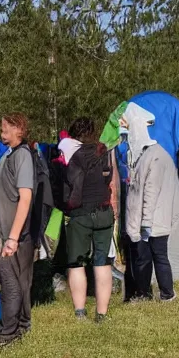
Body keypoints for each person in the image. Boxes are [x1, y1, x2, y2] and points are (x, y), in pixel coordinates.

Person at [124, 103, 177, 302]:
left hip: (154, 220)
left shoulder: (155, 156)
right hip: (151, 219)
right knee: (146, 259)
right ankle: (145, 293)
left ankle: (166, 294)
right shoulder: (148, 155)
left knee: (157, 258)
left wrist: (145, 223)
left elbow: (150, 193)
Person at [63, 118, 114, 321]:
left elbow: (68, 184)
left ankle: (80, 312)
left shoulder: (74, 156)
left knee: (76, 263)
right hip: (103, 212)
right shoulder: (104, 152)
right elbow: (109, 180)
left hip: (81, 214)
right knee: (102, 262)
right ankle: (101, 313)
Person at [0, 113, 35, 345]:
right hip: (6, 233)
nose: (2, 134)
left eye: (6, 129)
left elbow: (26, 198)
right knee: (14, 283)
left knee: (15, 285)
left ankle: (10, 334)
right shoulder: (9, 156)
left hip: (16, 236)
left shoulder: (23, 157)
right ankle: (17, 330)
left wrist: (13, 237)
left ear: (19, 129)